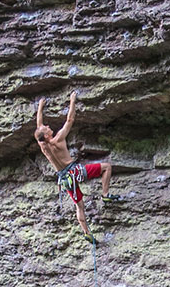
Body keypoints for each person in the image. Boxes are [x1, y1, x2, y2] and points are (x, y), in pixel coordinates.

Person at [34, 93, 112, 239]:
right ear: (47, 135)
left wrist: (40, 107)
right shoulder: (58, 139)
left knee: (79, 205)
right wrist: (72, 101)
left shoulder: (43, 146)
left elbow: (39, 127)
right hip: (76, 172)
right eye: (47, 128)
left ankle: (86, 232)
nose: (48, 126)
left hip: (65, 179)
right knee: (106, 167)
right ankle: (105, 195)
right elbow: (70, 119)